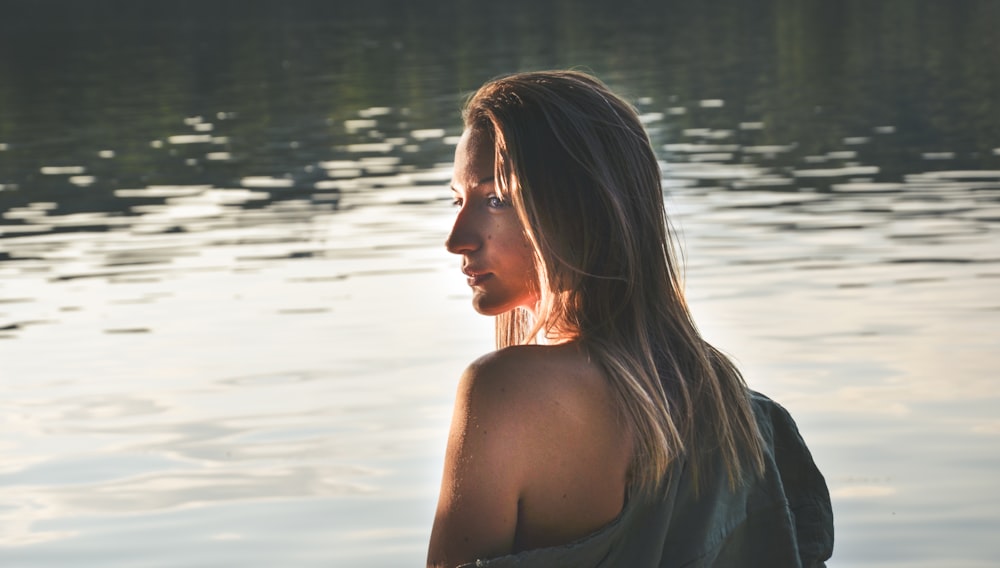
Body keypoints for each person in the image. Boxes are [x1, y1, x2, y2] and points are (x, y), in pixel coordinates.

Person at [427, 70, 833, 568]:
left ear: (581, 209)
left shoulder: (502, 390)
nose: (457, 238)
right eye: (457, 199)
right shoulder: (740, 414)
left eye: (496, 200)